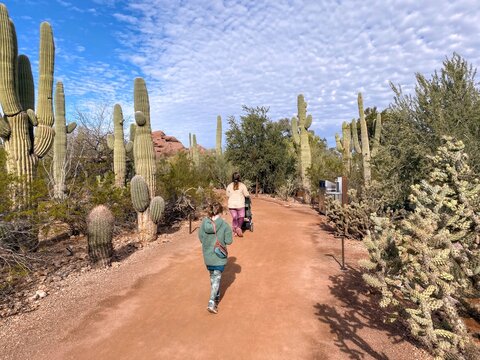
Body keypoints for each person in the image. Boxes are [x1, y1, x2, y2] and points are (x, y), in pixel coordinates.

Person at [198, 201, 233, 314]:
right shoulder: (224, 225)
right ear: (221, 211)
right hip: (219, 256)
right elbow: (229, 241)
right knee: (217, 277)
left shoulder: (204, 223)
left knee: (213, 276)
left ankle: (216, 297)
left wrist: (208, 244)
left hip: (207, 255)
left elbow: (201, 237)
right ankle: (211, 302)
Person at [226, 172, 250, 237]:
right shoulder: (242, 185)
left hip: (231, 205)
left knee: (234, 217)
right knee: (241, 217)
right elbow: (246, 194)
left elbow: (227, 195)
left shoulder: (229, 185)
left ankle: (234, 231)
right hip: (240, 205)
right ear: (239, 178)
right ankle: (239, 227)